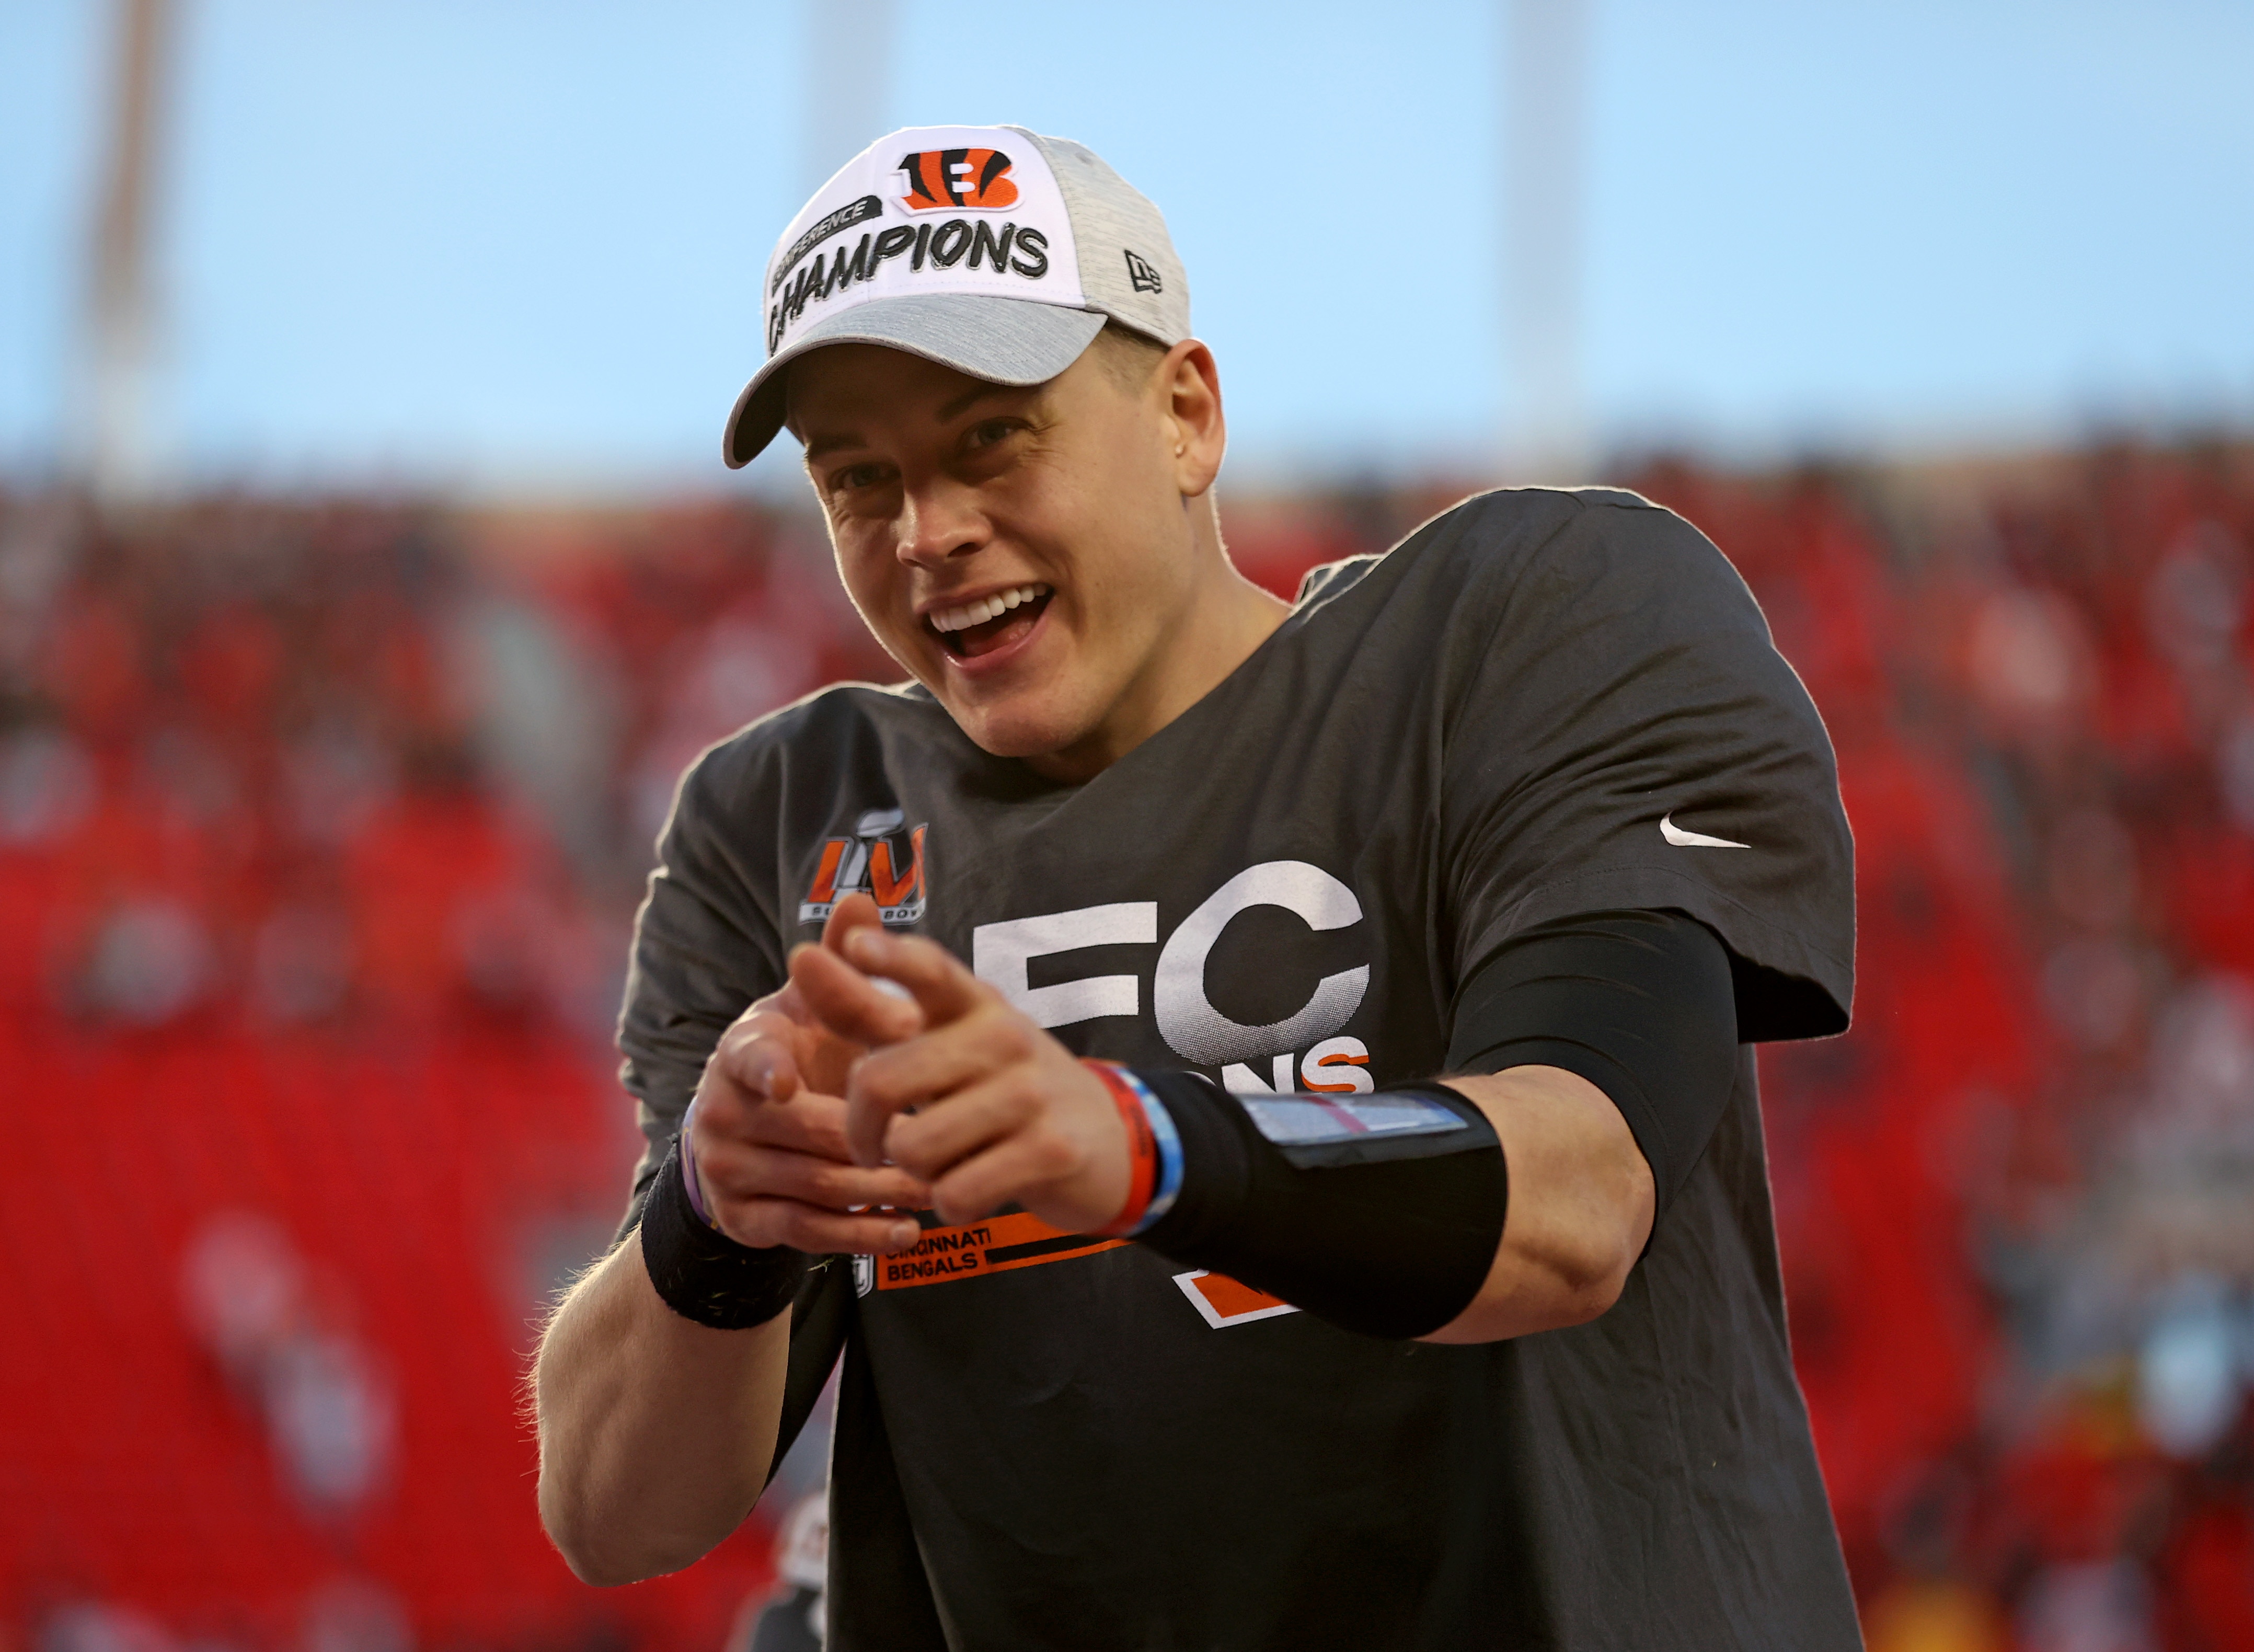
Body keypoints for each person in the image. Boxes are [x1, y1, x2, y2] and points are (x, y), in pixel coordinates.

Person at [530, 124, 1865, 1649]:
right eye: (858, 481)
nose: (928, 532)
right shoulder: (786, 816)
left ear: (1185, 414)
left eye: (991, 439)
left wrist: (1133, 1135)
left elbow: (1579, 1196)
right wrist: (720, 1216)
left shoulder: (1521, 631)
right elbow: (616, 1506)